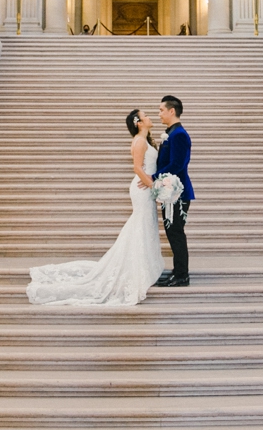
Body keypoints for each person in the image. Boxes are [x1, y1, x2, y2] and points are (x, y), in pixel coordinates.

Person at [26, 109, 165, 305]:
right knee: (141, 225)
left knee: (144, 225)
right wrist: (155, 187)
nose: (150, 117)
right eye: (146, 116)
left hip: (145, 187)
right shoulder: (140, 141)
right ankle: (137, 268)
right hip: (142, 189)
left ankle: (144, 266)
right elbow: (137, 168)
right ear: (139, 123)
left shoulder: (145, 139)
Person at [154, 95, 193, 286]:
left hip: (178, 192)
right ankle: (178, 271)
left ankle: (182, 275)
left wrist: (154, 178)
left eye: (161, 110)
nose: (159, 114)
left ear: (172, 111)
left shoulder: (179, 134)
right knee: (173, 232)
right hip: (170, 192)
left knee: (176, 232)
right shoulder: (172, 132)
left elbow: (177, 164)